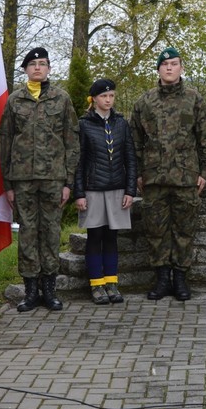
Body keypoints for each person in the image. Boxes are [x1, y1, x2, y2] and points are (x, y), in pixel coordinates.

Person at [131, 47, 206, 301]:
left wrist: (205, 171)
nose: (169, 68)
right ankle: (161, 279)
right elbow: (134, 142)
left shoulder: (194, 99)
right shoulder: (144, 102)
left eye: (174, 63)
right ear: (158, 69)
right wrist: (137, 173)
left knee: (184, 229)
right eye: (165, 64)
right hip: (154, 178)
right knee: (155, 230)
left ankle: (180, 279)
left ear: (181, 68)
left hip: (185, 177)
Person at [0, 47, 79, 312]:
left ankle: (50, 289)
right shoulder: (14, 101)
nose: (37, 68)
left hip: (53, 179)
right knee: (28, 232)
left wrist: (69, 181)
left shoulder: (62, 99)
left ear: (49, 69)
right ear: (25, 69)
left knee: (52, 232)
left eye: (42, 63)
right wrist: (8, 184)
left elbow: (71, 141)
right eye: (32, 64)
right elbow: (5, 141)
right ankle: (31, 290)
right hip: (22, 180)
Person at [74, 78, 137, 305]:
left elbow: (130, 158)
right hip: (92, 190)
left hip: (117, 189)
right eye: (103, 96)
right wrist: (79, 193)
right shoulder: (84, 124)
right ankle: (96, 285)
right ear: (94, 99)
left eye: (111, 96)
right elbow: (78, 162)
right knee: (95, 237)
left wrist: (130, 190)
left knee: (112, 238)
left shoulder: (121, 123)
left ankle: (111, 283)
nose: (108, 100)